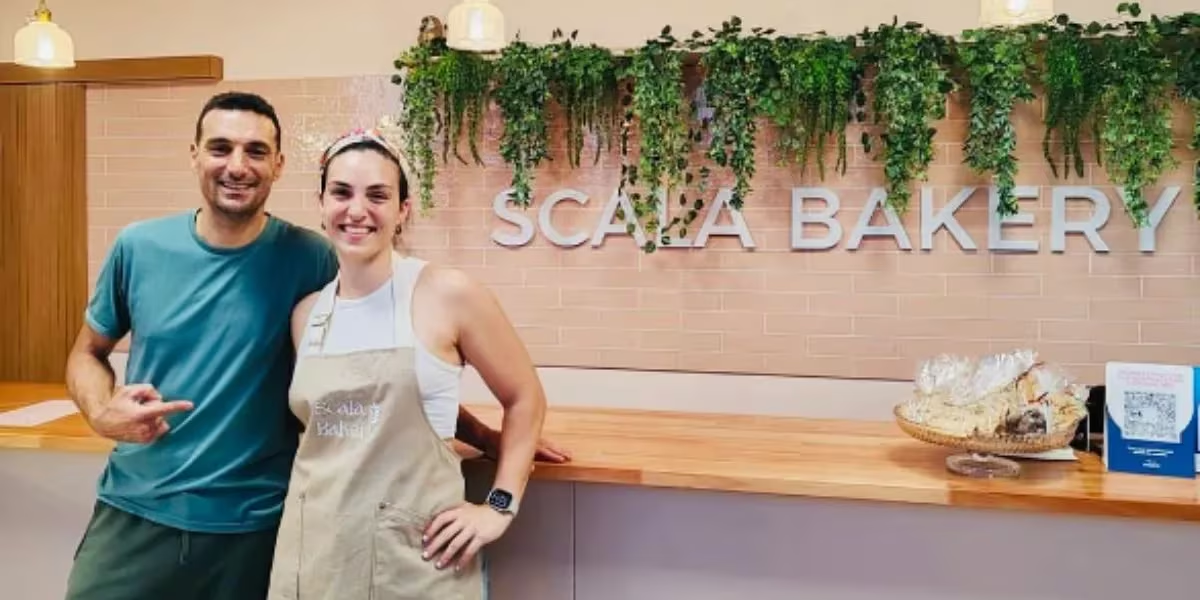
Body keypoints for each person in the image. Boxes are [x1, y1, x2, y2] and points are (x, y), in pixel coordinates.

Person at [62, 91, 569, 600]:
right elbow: (87, 352)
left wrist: (493, 450)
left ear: (278, 165)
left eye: (256, 151)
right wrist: (102, 411)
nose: (237, 165)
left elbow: (396, 379)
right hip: (149, 508)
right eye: (220, 148)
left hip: (257, 524)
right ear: (193, 153)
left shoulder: (319, 261)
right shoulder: (147, 250)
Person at [266, 126, 545, 599]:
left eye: (378, 195)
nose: (357, 210)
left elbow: (526, 399)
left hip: (415, 564)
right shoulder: (306, 316)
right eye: (341, 193)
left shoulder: (447, 294)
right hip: (312, 560)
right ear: (321, 204)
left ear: (402, 210)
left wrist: (499, 506)